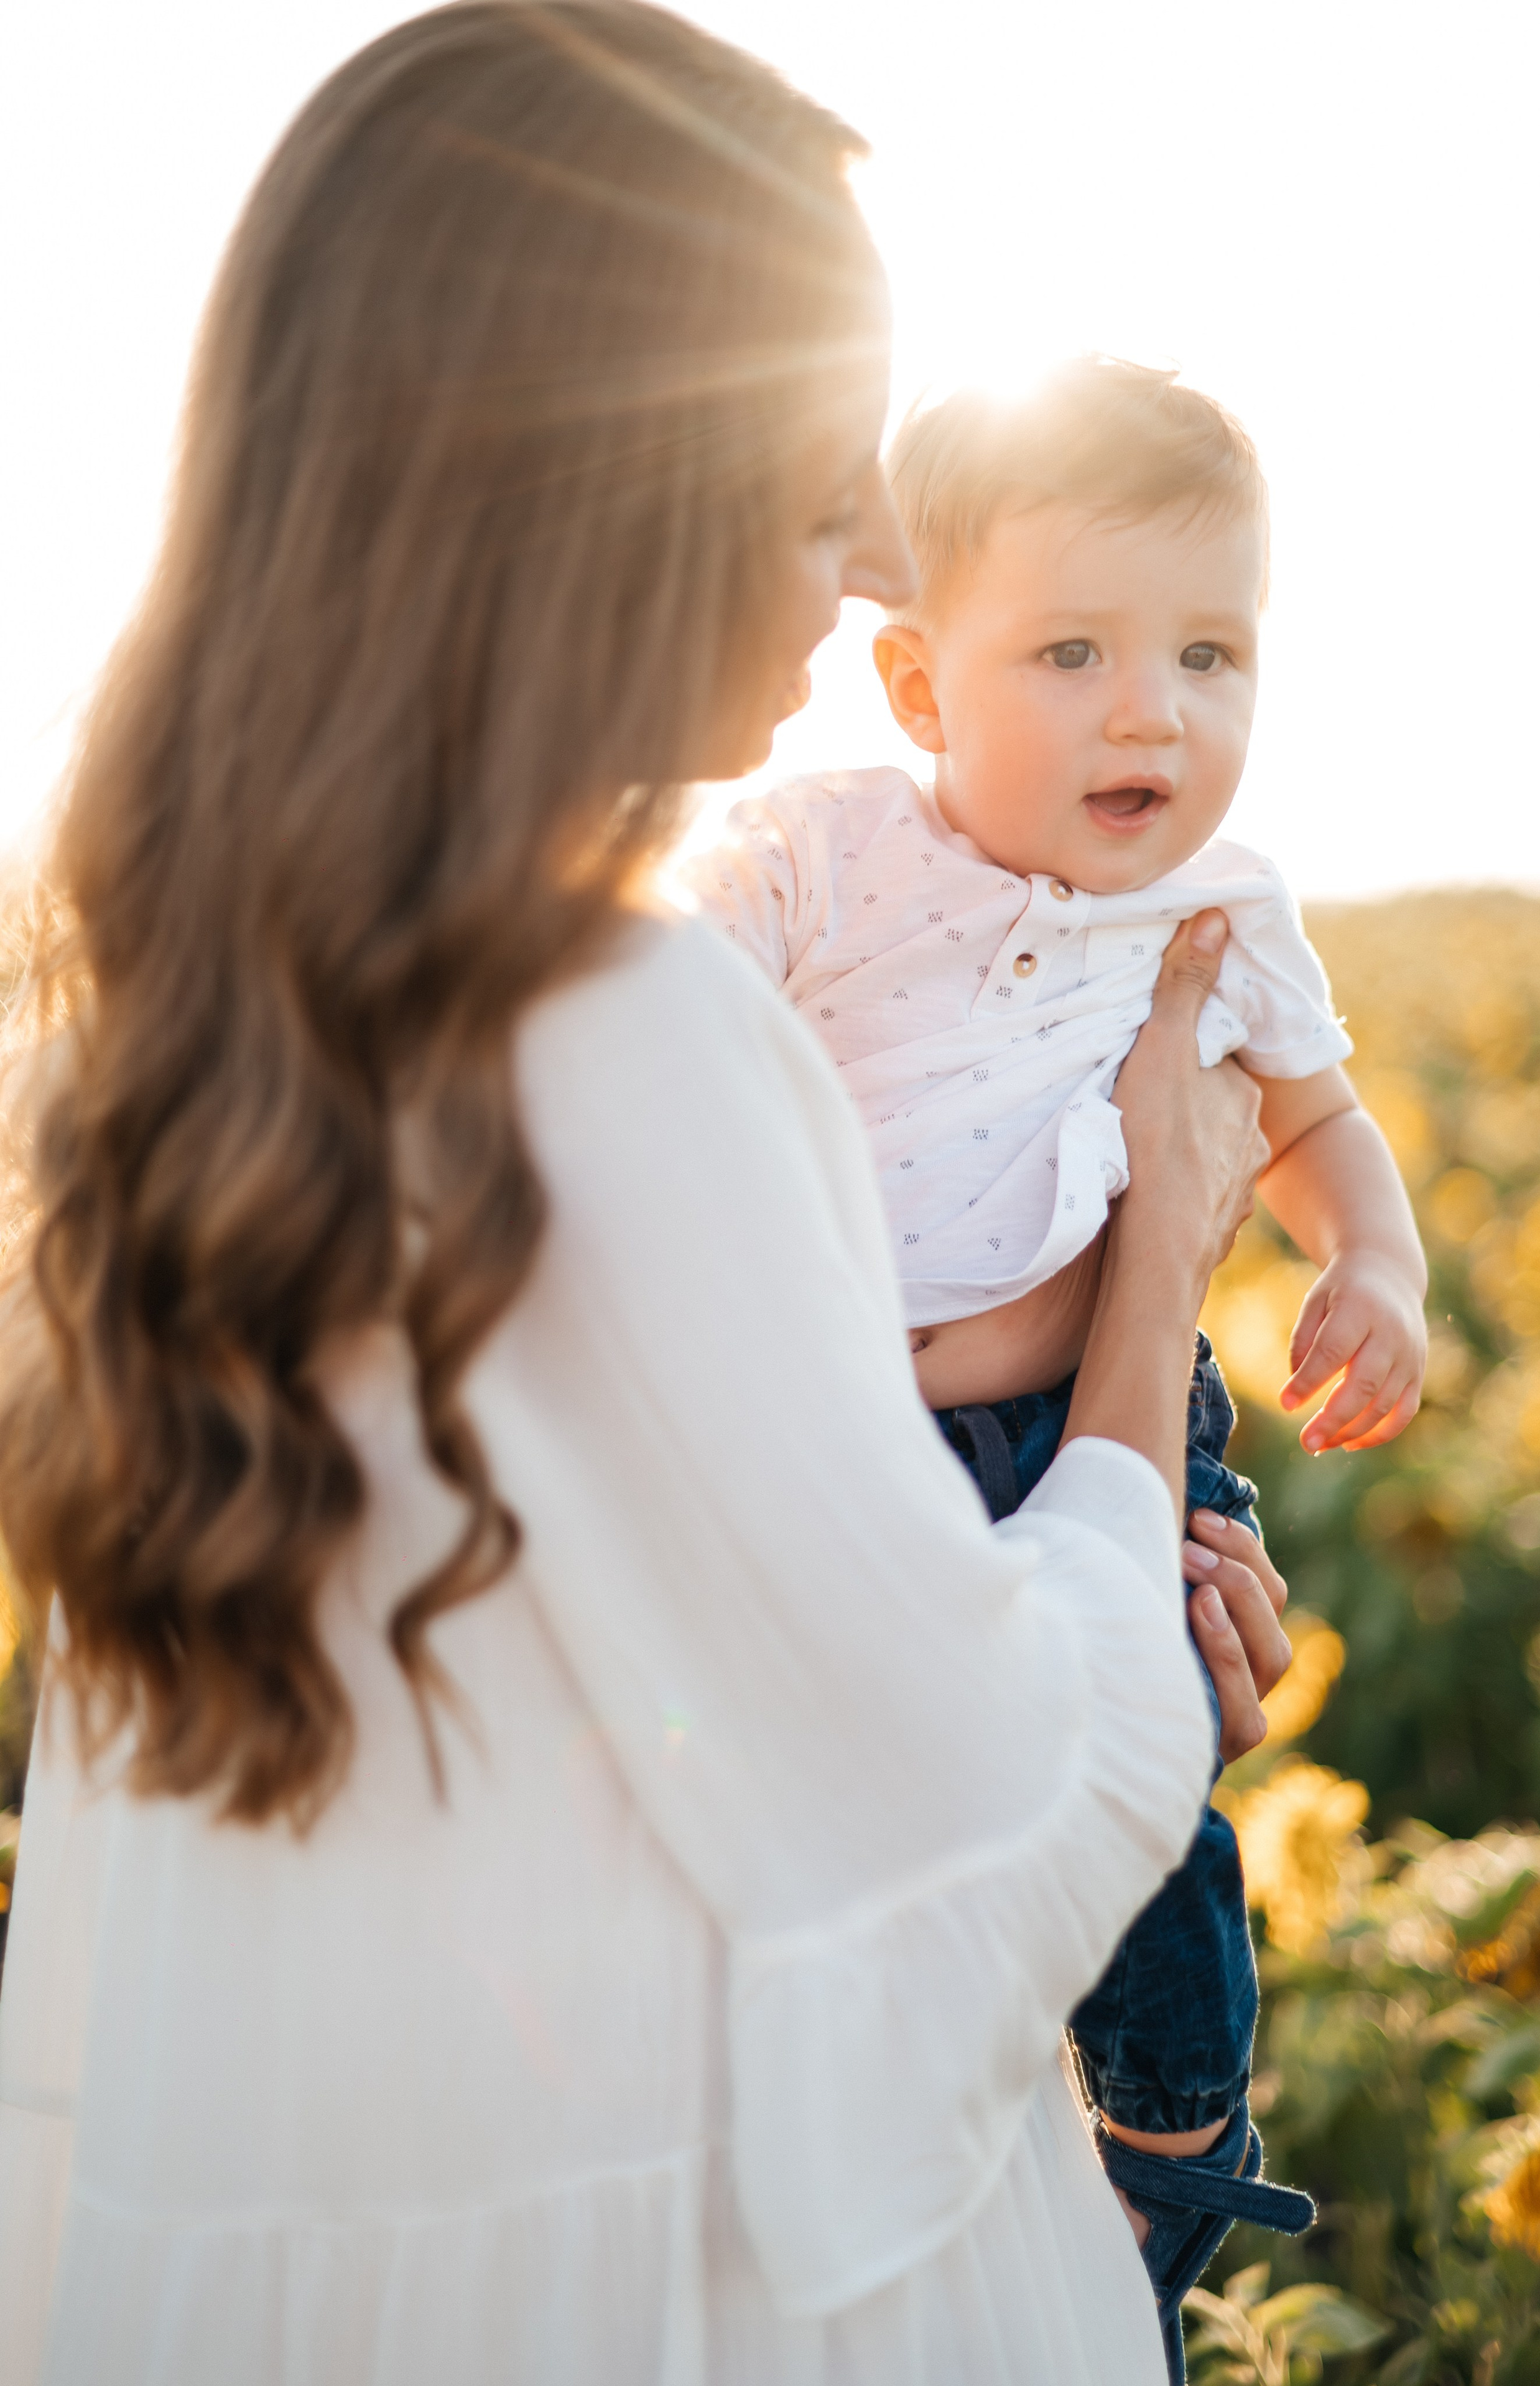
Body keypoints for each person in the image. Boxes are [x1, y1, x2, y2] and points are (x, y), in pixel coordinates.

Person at [0, 11, 1291, 2382]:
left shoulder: (181, 1033)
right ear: (590, 476)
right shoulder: (609, 1040)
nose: (891, 547)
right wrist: (1159, 1267)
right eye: (820, 460)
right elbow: (978, 1803)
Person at [684, 360, 1428, 2365]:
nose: (1151, 712)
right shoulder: (824, 848)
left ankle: (1170, 2133)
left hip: (1112, 1420)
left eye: (1211, 652)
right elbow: (673, 988)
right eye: (1074, 650)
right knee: (887, 1825)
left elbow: (1310, 1119)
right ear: (917, 687)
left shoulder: (1226, 905)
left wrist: (1378, 1259)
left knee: (1153, 1794)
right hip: (852, 1449)